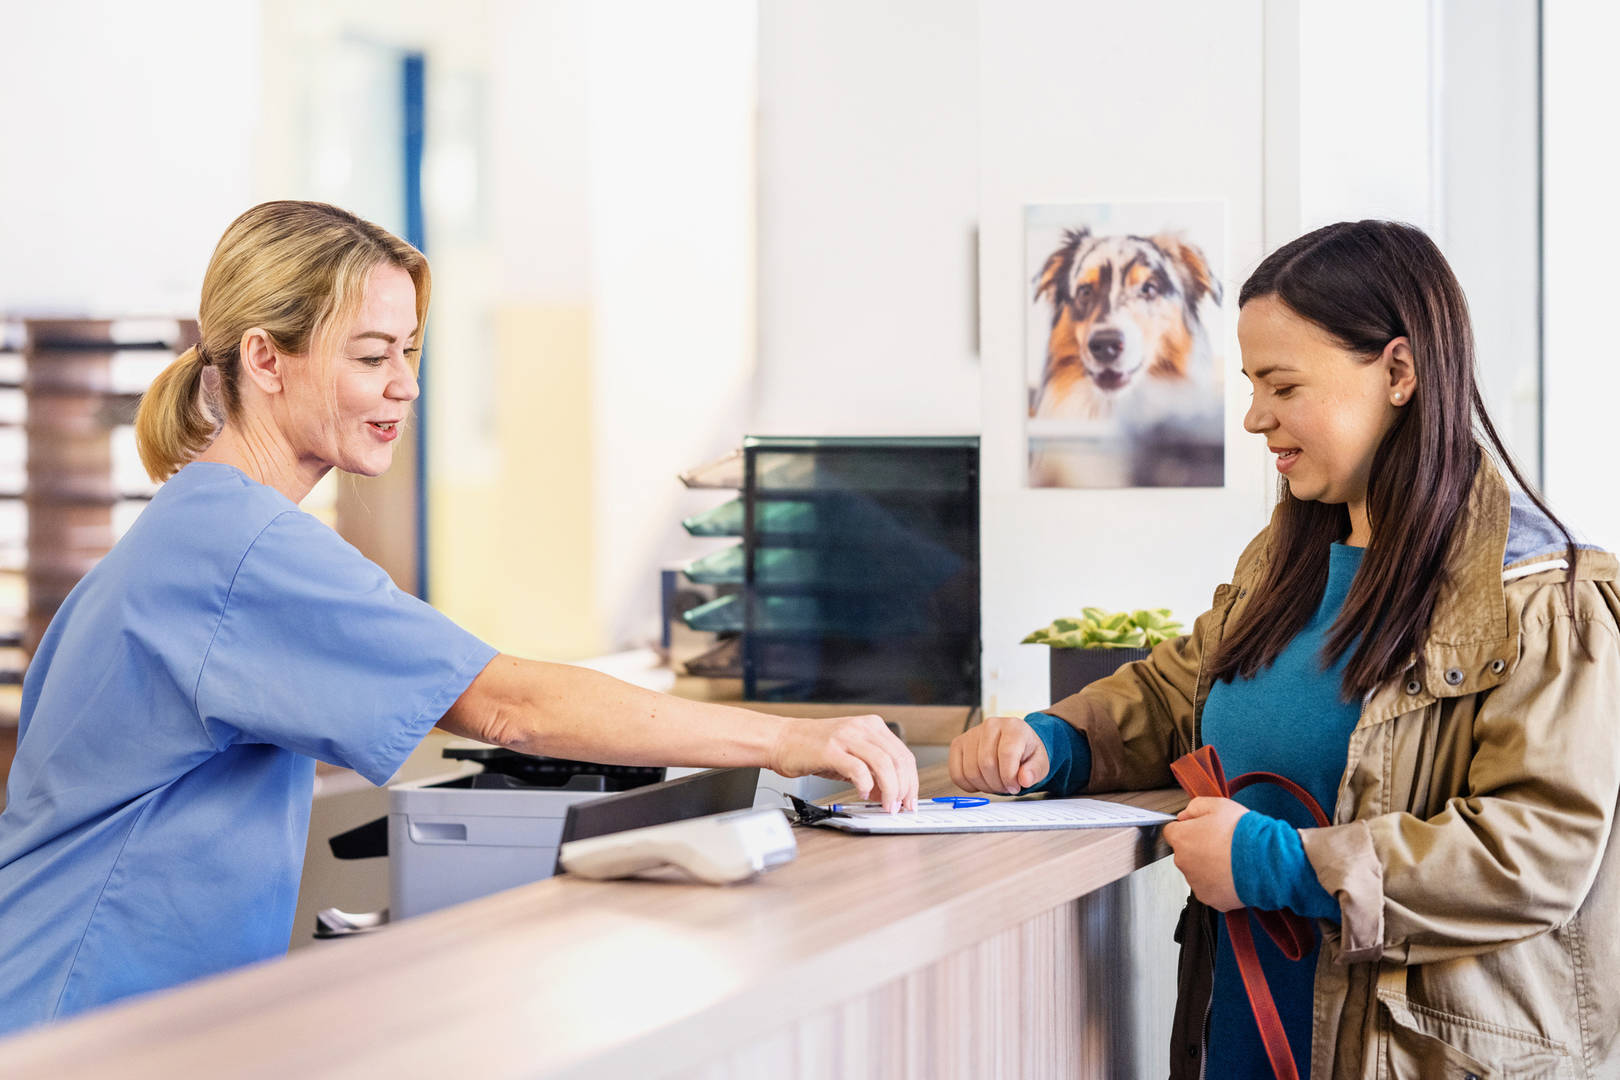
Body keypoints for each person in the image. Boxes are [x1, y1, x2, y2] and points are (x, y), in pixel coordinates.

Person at [0, 201, 918, 1036]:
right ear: (265, 358)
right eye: (370, 356)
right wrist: (788, 740)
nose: (404, 384)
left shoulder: (199, 528)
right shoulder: (239, 547)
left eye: (409, 352)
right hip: (73, 1015)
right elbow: (506, 705)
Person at [950, 221, 1620, 1078]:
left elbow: (1534, 852)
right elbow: (1178, 691)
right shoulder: (1292, 553)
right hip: (1246, 1042)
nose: (1255, 416)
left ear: (1400, 373)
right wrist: (1057, 742)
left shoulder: (1543, 593)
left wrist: (1285, 865)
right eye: (1251, 384)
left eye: (1283, 384)